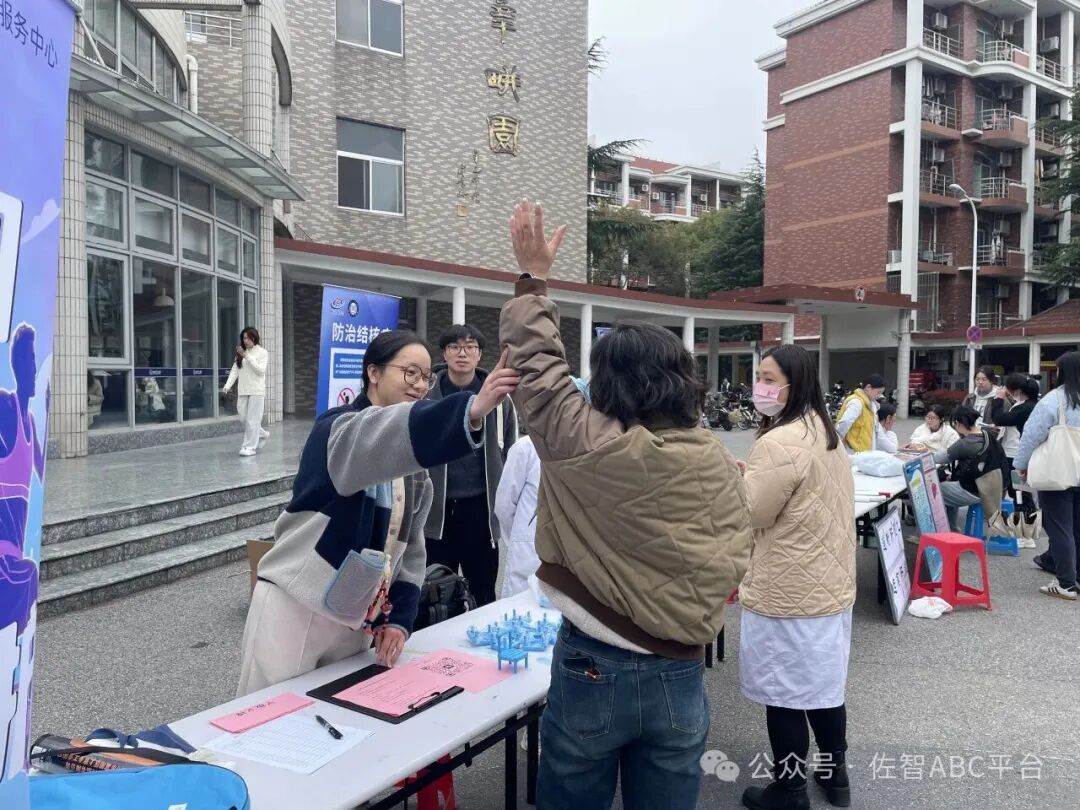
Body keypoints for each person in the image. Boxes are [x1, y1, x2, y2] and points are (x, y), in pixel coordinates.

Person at [500, 201, 752, 810]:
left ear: (607, 384)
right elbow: (734, 553)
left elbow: (539, 371)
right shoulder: (713, 456)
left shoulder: (587, 443)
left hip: (594, 661)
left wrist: (533, 279)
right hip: (682, 668)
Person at [236, 330, 519, 694]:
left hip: (356, 616)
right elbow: (381, 434)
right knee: (267, 716)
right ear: (373, 372)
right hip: (295, 604)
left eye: (425, 377)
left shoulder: (415, 472)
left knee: (336, 717)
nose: (420, 385)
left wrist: (399, 618)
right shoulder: (338, 430)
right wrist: (471, 409)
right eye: (410, 373)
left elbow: (411, 549)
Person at [738, 345, 855, 810]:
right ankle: (835, 776)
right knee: (823, 689)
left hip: (788, 588)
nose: (760, 387)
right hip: (828, 584)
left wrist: (738, 484)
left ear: (795, 383)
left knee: (783, 694)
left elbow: (753, 512)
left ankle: (789, 790)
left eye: (769, 378)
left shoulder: (779, 440)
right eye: (759, 376)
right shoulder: (824, 431)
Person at [425, 324, 517, 606]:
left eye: (470, 347)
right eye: (454, 347)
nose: (462, 353)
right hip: (436, 512)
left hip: (481, 509)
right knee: (435, 592)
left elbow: (510, 450)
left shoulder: (500, 399)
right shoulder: (427, 395)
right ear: (444, 354)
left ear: (479, 354)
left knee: (483, 590)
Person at [1015, 351, 1080, 601]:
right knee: (1077, 527)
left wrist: (1021, 464)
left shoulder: (1054, 400)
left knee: (1061, 528)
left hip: (1058, 473)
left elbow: (1032, 435)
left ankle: (1066, 583)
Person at [933, 405, 1008, 533]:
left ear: (957, 423)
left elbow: (940, 458)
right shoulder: (987, 434)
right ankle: (952, 529)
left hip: (976, 491)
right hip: (995, 488)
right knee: (949, 485)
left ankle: (930, 532)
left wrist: (924, 451)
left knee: (933, 492)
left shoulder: (967, 443)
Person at [494, 434, 541, 599]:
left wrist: (518, 538)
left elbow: (503, 506)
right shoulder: (525, 448)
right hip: (528, 553)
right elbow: (504, 505)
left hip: (529, 548)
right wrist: (519, 538)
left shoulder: (526, 447)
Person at [988, 373, 1041, 514]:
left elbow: (999, 418)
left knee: (1020, 492)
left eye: (1006, 387)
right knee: (1018, 491)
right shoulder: (1024, 405)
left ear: (1016, 390)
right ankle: (1023, 517)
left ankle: (1026, 519)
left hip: (1016, 455)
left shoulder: (1026, 407)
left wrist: (998, 399)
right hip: (1014, 453)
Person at [222, 327, 270, 457]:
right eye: (244, 338)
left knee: (252, 420)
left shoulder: (262, 352)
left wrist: (247, 356)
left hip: (256, 391)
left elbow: (260, 371)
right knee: (244, 418)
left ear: (255, 338)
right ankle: (262, 434)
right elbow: (235, 370)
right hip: (243, 390)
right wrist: (227, 385)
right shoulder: (240, 353)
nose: (246, 340)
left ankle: (249, 447)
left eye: (249, 338)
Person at [836, 374, 886, 453]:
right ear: (868, 387)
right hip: (853, 452)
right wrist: (836, 443)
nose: (879, 395)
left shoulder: (871, 404)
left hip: (864, 452)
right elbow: (844, 423)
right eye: (878, 392)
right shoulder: (857, 402)